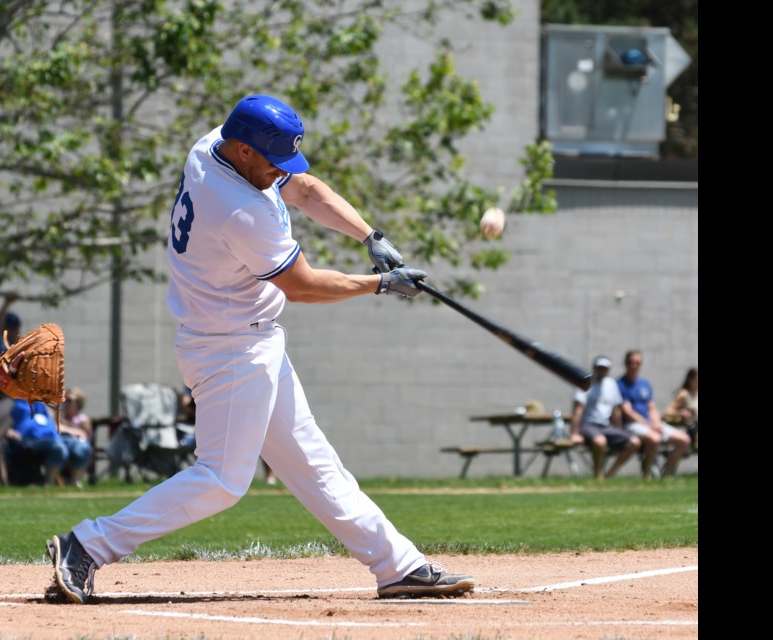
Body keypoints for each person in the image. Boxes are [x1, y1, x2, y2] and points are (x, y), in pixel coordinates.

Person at [46, 93, 474, 604]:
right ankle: (86, 545)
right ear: (245, 151)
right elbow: (304, 285)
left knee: (316, 465)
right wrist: (379, 285)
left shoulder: (216, 145)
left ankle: (397, 566)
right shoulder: (239, 210)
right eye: (274, 163)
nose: (280, 173)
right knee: (223, 480)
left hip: (253, 339)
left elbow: (308, 190)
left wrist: (370, 236)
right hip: (229, 348)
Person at [616, 350, 692, 479]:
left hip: (650, 424)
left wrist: (656, 423)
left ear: (641, 365)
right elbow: (628, 412)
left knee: (684, 440)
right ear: (625, 364)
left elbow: (651, 407)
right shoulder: (620, 384)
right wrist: (651, 425)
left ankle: (666, 474)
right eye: (631, 362)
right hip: (632, 425)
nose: (634, 365)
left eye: (637, 363)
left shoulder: (645, 384)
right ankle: (647, 474)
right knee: (655, 438)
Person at [571, 356, 641, 479]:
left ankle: (611, 473)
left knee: (634, 442)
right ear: (594, 368)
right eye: (600, 368)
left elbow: (616, 410)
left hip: (606, 427)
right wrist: (574, 433)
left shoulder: (611, 384)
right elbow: (578, 410)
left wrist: (619, 429)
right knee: (600, 441)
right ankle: (598, 473)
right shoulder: (585, 383)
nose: (602, 371)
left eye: (605, 369)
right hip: (588, 426)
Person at [61, 388, 94, 488]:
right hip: (62, 444)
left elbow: (86, 435)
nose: (66, 403)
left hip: (78, 446)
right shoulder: (59, 417)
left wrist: (67, 428)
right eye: (65, 400)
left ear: (78, 404)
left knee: (83, 449)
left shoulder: (83, 419)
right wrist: (76, 431)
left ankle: (75, 481)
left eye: (70, 400)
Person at [664, 367, 698, 452]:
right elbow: (668, 411)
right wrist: (681, 412)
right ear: (691, 380)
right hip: (692, 427)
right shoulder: (684, 394)